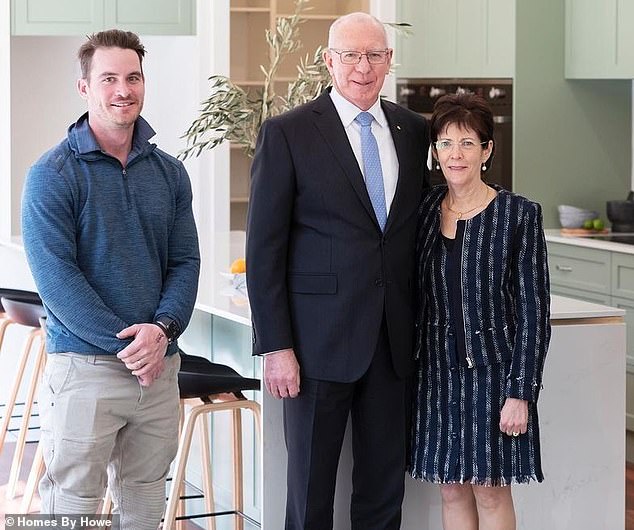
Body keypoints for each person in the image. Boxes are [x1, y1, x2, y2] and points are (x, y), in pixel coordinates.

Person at [246, 11, 430, 530]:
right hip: (313, 346)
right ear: (329, 61)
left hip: (393, 343)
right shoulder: (287, 133)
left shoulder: (414, 131)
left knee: (382, 490)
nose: (362, 67)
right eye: (350, 55)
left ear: (389, 62)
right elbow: (264, 250)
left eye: (374, 54)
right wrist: (276, 346)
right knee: (309, 492)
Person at [21, 29, 200, 529]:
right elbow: (57, 280)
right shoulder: (52, 174)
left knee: (144, 502)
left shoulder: (170, 173)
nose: (124, 89)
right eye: (109, 79)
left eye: (133, 77)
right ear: (84, 88)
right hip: (86, 367)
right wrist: (133, 346)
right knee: (72, 504)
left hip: (158, 368)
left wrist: (162, 331)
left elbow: (185, 261)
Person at [409, 92, 551, 530]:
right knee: (451, 487)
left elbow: (534, 311)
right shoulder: (425, 208)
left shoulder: (517, 215)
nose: (456, 154)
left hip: (494, 376)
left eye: (468, 143)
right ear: (435, 151)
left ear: (487, 150)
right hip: (435, 375)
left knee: (490, 490)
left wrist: (520, 392)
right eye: (446, 143)